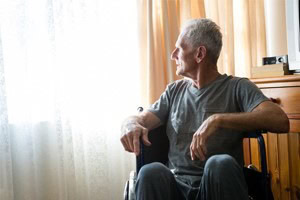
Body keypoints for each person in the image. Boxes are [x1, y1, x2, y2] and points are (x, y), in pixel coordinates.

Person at [120, 18, 289, 200]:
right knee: (150, 172)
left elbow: (280, 120)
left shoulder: (237, 87)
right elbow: (141, 119)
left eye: (180, 48)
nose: (173, 54)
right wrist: (129, 124)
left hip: (216, 187)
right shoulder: (174, 91)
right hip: (176, 187)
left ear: (199, 54)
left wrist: (217, 120)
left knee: (219, 163)